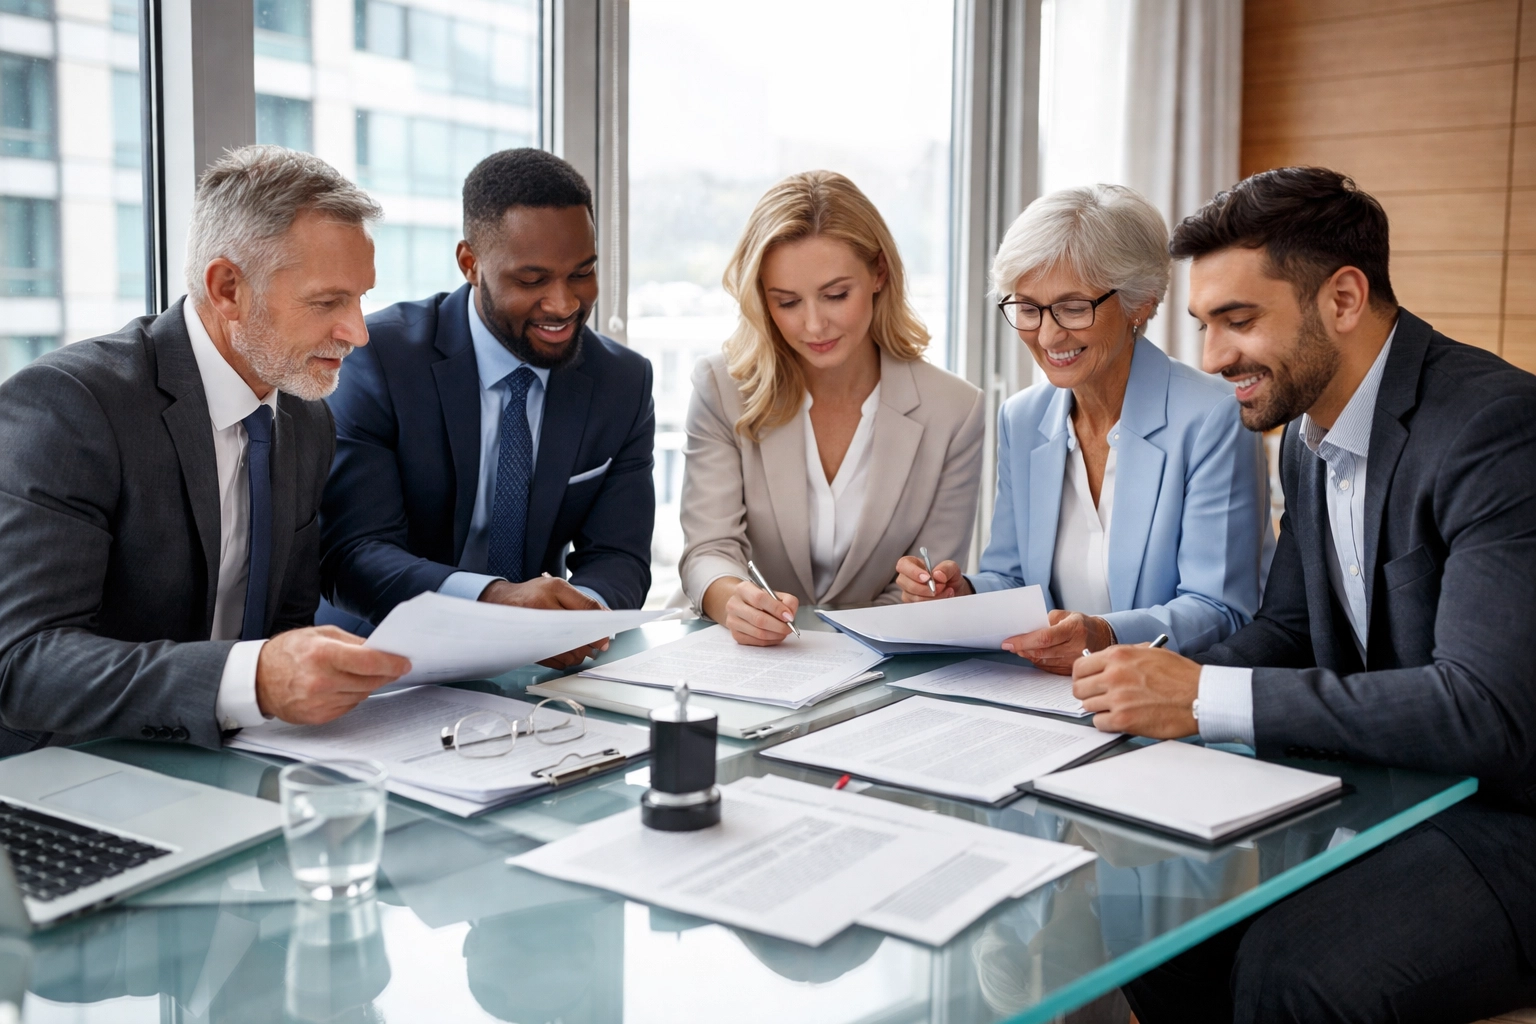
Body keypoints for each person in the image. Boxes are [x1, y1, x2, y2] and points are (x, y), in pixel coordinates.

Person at [1070, 168, 1536, 1022]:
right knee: (1156, 922)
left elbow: (1484, 709)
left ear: (1345, 299)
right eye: (1204, 325)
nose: (1213, 359)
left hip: (1510, 816)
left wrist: (1202, 696)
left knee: (1297, 970)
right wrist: (1142, 684)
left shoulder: (1495, 428)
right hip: (1392, 788)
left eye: (1239, 322)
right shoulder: (1308, 437)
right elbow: (1286, 628)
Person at [0, 145, 410, 753]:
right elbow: (23, 664)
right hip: (69, 770)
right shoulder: (71, 404)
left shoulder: (306, 418)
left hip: (232, 758)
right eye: (328, 302)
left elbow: (286, 624)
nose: (358, 332)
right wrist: (252, 680)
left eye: (360, 298)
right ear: (227, 289)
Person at [896, 185, 1268, 670]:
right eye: (1028, 308)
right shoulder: (1022, 418)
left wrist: (1106, 634)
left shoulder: (1215, 417)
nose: (1049, 336)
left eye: (1073, 308)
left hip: (1166, 698)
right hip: (1047, 695)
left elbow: (1222, 610)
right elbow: (1012, 581)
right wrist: (960, 592)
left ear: (1140, 302)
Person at [319, 148, 655, 668]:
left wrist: (581, 615)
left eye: (582, 273)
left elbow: (620, 555)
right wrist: (496, 600)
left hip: (539, 670)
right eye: (532, 280)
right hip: (379, 662)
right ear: (470, 264)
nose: (564, 304)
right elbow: (354, 554)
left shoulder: (622, 382)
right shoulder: (379, 359)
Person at [679, 170, 984, 645]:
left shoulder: (956, 412)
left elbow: (925, 582)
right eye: (787, 302)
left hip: (881, 660)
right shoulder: (721, 387)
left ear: (879, 273)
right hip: (744, 657)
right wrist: (733, 598)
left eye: (836, 295)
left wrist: (914, 600)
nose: (814, 324)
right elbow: (709, 548)